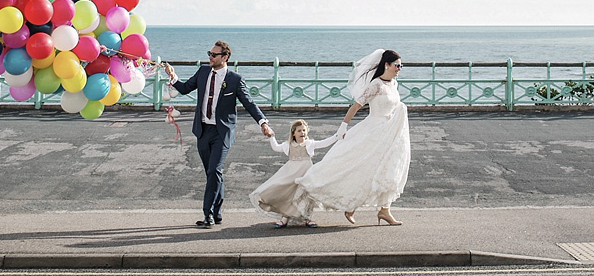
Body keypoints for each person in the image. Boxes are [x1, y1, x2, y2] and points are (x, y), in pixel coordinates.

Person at [161, 41, 273, 228]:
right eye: (209, 54)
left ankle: (208, 215)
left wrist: (263, 123)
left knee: (214, 170)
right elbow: (185, 88)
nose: (210, 57)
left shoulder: (235, 79)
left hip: (222, 132)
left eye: (214, 55)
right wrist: (172, 77)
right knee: (212, 173)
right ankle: (217, 212)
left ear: (225, 57)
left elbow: (249, 103)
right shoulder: (203, 72)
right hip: (203, 130)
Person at [293, 49, 410, 226]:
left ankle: (385, 210)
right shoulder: (376, 85)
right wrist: (343, 126)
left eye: (401, 66)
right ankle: (350, 204)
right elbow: (356, 106)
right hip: (373, 130)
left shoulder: (394, 84)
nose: (399, 69)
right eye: (397, 65)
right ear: (387, 65)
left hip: (389, 132)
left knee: (387, 167)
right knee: (360, 165)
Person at [250, 119, 340, 228]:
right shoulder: (288, 145)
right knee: (287, 193)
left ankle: (308, 218)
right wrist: (271, 137)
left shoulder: (309, 144)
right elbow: (276, 148)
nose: (302, 133)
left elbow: (324, 143)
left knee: (307, 195)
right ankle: (284, 217)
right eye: (299, 131)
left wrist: (337, 136)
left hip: (306, 172)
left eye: (304, 130)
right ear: (293, 133)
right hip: (291, 172)